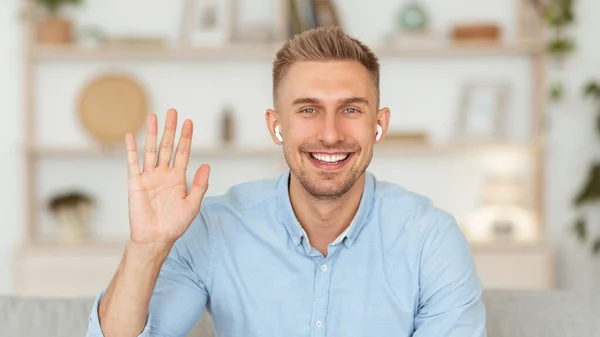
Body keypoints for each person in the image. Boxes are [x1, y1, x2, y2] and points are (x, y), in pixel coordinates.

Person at [85, 26, 486, 337]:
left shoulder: (431, 240)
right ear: (277, 126)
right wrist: (146, 249)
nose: (330, 134)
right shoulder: (213, 228)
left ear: (378, 125)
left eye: (350, 109)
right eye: (309, 109)